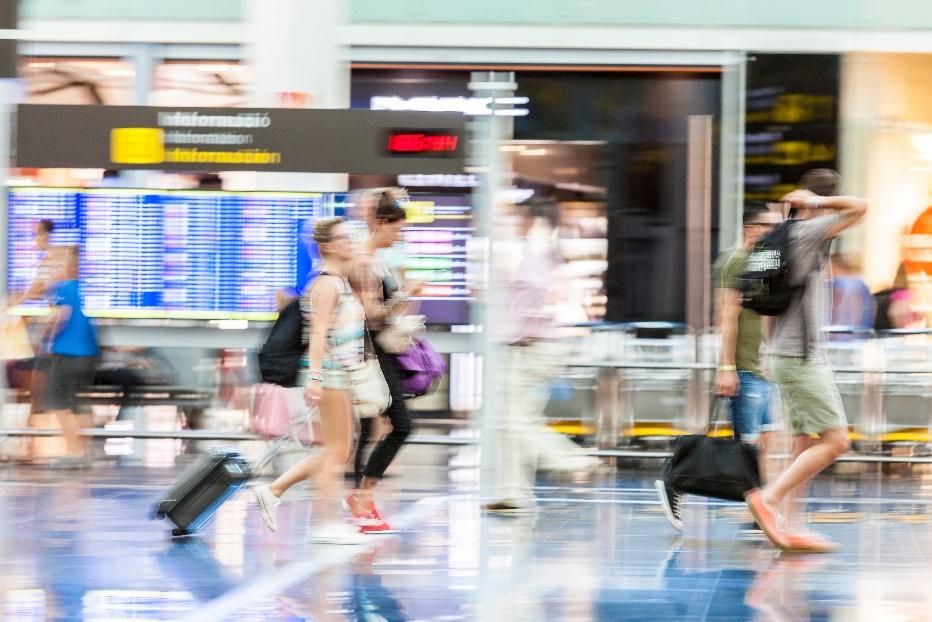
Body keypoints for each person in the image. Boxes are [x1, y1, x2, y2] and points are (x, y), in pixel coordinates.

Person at [745, 169, 868, 553]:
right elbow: (862, 207)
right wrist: (816, 203)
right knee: (835, 441)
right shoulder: (807, 231)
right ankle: (769, 499)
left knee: (803, 443)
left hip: (786, 353)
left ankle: (792, 525)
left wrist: (770, 352)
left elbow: (769, 309)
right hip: (801, 358)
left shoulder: (781, 237)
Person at [655, 203, 783, 532]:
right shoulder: (735, 261)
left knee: (763, 441)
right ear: (751, 229)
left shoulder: (761, 262)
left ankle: (761, 509)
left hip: (760, 368)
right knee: (747, 446)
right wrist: (726, 366)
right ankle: (677, 481)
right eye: (769, 227)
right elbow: (727, 316)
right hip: (742, 368)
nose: (774, 233)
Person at [253, 218, 369, 545]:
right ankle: (323, 521)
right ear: (328, 246)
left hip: (338, 374)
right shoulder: (327, 284)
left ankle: (276, 491)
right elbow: (317, 334)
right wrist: (315, 378)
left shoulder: (338, 282)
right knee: (335, 451)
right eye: (344, 238)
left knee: (338, 450)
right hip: (329, 374)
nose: (352, 242)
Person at [483, 198, 600, 515]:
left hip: (528, 348)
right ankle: (513, 492)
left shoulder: (534, 252)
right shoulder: (547, 251)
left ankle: (573, 459)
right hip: (535, 345)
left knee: (515, 421)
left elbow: (535, 297)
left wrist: (523, 328)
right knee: (512, 422)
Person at [345, 192, 421, 533]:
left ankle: (362, 495)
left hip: (380, 352)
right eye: (397, 229)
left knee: (381, 426)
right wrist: (406, 294)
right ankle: (361, 495)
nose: (399, 236)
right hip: (372, 354)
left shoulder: (377, 261)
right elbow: (373, 318)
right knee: (401, 425)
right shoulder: (364, 264)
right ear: (381, 223)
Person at [44, 245, 99, 466]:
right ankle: (85, 451)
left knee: (60, 402)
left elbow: (61, 316)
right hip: (88, 354)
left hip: (66, 353)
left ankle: (74, 452)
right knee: (77, 403)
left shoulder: (64, 287)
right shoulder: (84, 289)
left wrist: (47, 339)